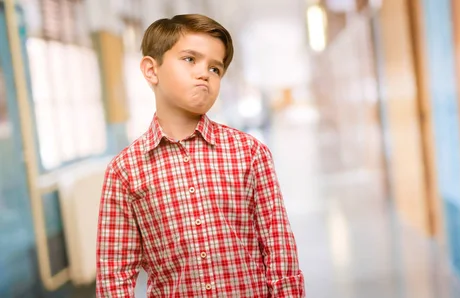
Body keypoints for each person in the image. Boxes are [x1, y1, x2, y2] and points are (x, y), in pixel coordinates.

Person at [96, 14, 304, 297]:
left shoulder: (250, 154)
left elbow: (278, 247)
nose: (204, 73)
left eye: (215, 68)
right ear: (151, 70)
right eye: (190, 59)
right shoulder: (125, 171)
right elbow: (114, 273)